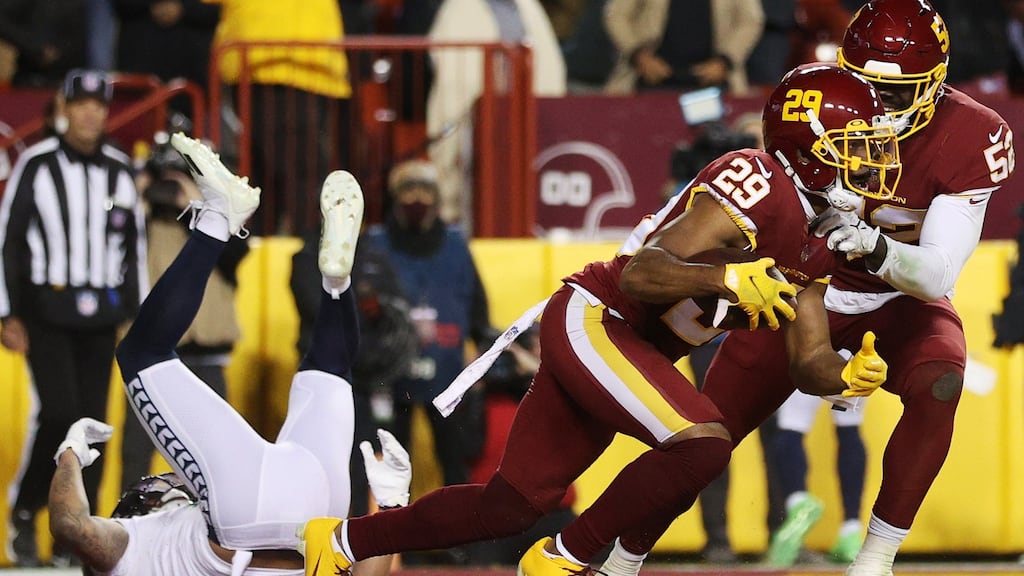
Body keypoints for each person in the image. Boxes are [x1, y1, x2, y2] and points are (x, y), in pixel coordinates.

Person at [295, 62, 900, 576]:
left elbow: (809, 358)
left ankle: (341, 543)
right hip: (600, 320)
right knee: (704, 444)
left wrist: (846, 375)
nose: (872, 162)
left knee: (509, 506)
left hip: (629, 348)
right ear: (807, 145)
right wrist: (724, 277)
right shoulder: (760, 181)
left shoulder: (823, 237)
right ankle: (570, 555)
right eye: (857, 146)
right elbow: (642, 272)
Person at [603, 1, 1016, 574]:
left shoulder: (971, 135)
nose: (876, 106)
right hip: (797, 291)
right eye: (862, 86)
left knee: (941, 382)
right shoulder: (823, 105)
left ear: (934, 84)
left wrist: (871, 245)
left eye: (894, 92)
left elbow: (937, 275)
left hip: (896, 300)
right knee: (703, 439)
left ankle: (874, 559)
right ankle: (618, 560)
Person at [47, 132, 409, 575]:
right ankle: (219, 217)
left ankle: (337, 286)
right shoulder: (137, 549)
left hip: (322, 511)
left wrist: (392, 506)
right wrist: (69, 453)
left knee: (330, 369)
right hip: (245, 516)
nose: (159, 485)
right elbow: (71, 526)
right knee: (142, 353)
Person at [0, 68, 148, 567]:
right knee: (62, 413)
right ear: (63, 108)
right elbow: (8, 241)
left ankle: (77, 536)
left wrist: (137, 316)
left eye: (99, 105)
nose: (91, 112)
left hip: (102, 313)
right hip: (46, 310)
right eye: (81, 103)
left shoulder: (120, 170)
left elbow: (135, 248)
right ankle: (25, 511)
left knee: (96, 426)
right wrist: (7, 311)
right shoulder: (38, 165)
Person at [119, 132, 249, 494]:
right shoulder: (142, 221)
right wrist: (138, 193)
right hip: (150, 358)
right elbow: (114, 245)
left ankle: (214, 537)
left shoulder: (217, 219)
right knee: (136, 453)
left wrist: (197, 205)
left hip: (208, 356)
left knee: (214, 455)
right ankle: (129, 531)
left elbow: (238, 256)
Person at [359, 158, 493, 494]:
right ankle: (392, 540)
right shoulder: (375, 242)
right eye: (408, 190)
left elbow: (476, 303)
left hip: (447, 370)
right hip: (391, 370)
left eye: (424, 190)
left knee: (453, 460)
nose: (417, 198)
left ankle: (455, 540)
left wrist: (482, 356)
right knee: (391, 459)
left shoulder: (455, 244)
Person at [765, 389, 866, 565]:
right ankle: (851, 531)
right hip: (854, 364)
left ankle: (799, 501)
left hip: (813, 365)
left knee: (791, 425)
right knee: (849, 426)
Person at [603, 0, 764, 95]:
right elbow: (617, 16)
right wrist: (639, 56)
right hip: (649, 80)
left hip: (715, 83)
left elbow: (750, 21)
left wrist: (725, 61)